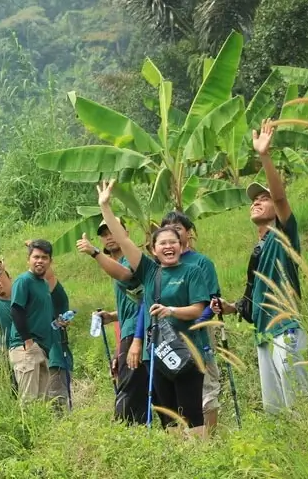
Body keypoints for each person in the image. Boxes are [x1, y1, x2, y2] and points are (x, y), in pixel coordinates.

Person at [211, 119, 308, 414]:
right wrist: (229, 307)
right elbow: (254, 298)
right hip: (264, 335)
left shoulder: (283, 236)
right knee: (277, 413)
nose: (256, 202)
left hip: (286, 330)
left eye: (263, 198)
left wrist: (264, 155)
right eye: (253, 199)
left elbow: (281, 198)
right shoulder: (259, 250)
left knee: (300, 408)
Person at [99, 179, 211, 438]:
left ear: (182, 246)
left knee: (192, 413)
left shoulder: (192, 271)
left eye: (174, 242)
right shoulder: (149, 272)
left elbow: (197, 309)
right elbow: (123, 239)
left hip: (187, 351)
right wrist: (106, 206)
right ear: (153, 249)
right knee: (166, 415)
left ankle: (201, 462)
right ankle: (176, 462)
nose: (169, 246)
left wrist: (171, 311)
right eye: (162, 243)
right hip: (156, 354)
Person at [76, 218, 148, 424]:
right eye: (104, 234)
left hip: (137, 332)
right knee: (134, 387)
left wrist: (94, 253)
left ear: (125, 231)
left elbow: (127, 278)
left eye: (113, 231)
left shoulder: (132, 262)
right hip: (128, 331)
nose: (109, 237)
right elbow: (136, 300)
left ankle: (121, 433)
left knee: (128, 388)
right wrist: (112, 316)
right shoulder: (117, 263)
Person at [159, 211, 222, 432]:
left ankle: (209, 440)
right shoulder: (159, 266)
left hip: (198, 332)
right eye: (166, 228)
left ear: (188, 232)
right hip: (167, 338)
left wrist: (197, 323)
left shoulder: (201, 263)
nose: (173, 232)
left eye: (178, 228)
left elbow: (210, 302)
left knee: (207, 386)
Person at [8, 239, 55, 401]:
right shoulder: (24, 280)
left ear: (50, 261)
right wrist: (28, 341)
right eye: (36, 257)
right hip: (26, 348)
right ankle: (23, 428)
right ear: (28, 259)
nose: (40, 260)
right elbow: (16, 310)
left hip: (42, 348)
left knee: (41, 404)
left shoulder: (43, 284)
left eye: (44, 257)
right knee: (28, 402)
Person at [45, 266, 73, 413]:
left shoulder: (56, 296)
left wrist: (36, 252)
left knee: (57, 407)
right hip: (42, 359)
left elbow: (49, 277)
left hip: (56, 359)